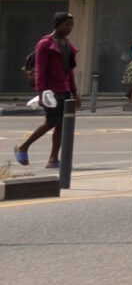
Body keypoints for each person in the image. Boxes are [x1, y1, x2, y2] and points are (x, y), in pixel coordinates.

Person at [15, 12, 78, 170]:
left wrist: (75, 94)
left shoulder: (67, 44)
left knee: (62, 124)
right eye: (66, 25)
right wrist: (41, 92)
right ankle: (23, 147)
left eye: (71, 25)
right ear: (57, 25)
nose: (69, 28)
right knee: (52, 121)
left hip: (64, 89)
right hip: (50, 91)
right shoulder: (45, 43)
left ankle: (53, 159)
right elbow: (39, 71)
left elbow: (69, 71)